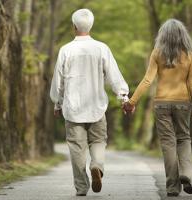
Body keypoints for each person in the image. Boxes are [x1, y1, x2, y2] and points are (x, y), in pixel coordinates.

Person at [50, 8, 129, 196]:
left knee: (77, 148)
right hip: (96, 107)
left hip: (73, 108)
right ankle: (97, 166)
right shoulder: (102, 48)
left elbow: (58, 82)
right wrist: (123, 96)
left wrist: (57, 103)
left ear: (74, 26)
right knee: (99, 141)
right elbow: (114, 77)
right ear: (91, 25)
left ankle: (81, 187)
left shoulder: (65, 50)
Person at [123, 19, 192, 197]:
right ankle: (186, 174)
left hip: (161, 104)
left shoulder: (157, 53)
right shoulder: (189, 54)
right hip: (183, 103)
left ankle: (173, 187)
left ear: (163, 35)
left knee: (168, 143)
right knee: (183, 138)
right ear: (183, 35)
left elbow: (147, 80)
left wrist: (132, 102)